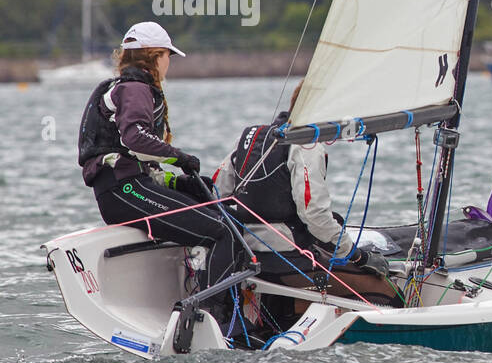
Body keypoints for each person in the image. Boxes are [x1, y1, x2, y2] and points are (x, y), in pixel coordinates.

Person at [78, 22, 245, 328]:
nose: (169, 63)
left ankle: (211, 307)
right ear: (155, 56)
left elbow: (136, 160)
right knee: (222, 232)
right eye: (168, 55)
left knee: (224, 220)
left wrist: (177, 181)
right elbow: (134, 139)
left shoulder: (122, 88)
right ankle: (210, 320)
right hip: (124, 192)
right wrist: (179, 157)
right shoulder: (136, 89)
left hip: (125, 189)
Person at [213, 81, 391, 307]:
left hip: (246, 253)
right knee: (385, 293)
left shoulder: (251, 137)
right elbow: (315, 215)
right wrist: (358, 256)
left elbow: (217, 192)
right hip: (284, 258)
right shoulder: (306, 144)